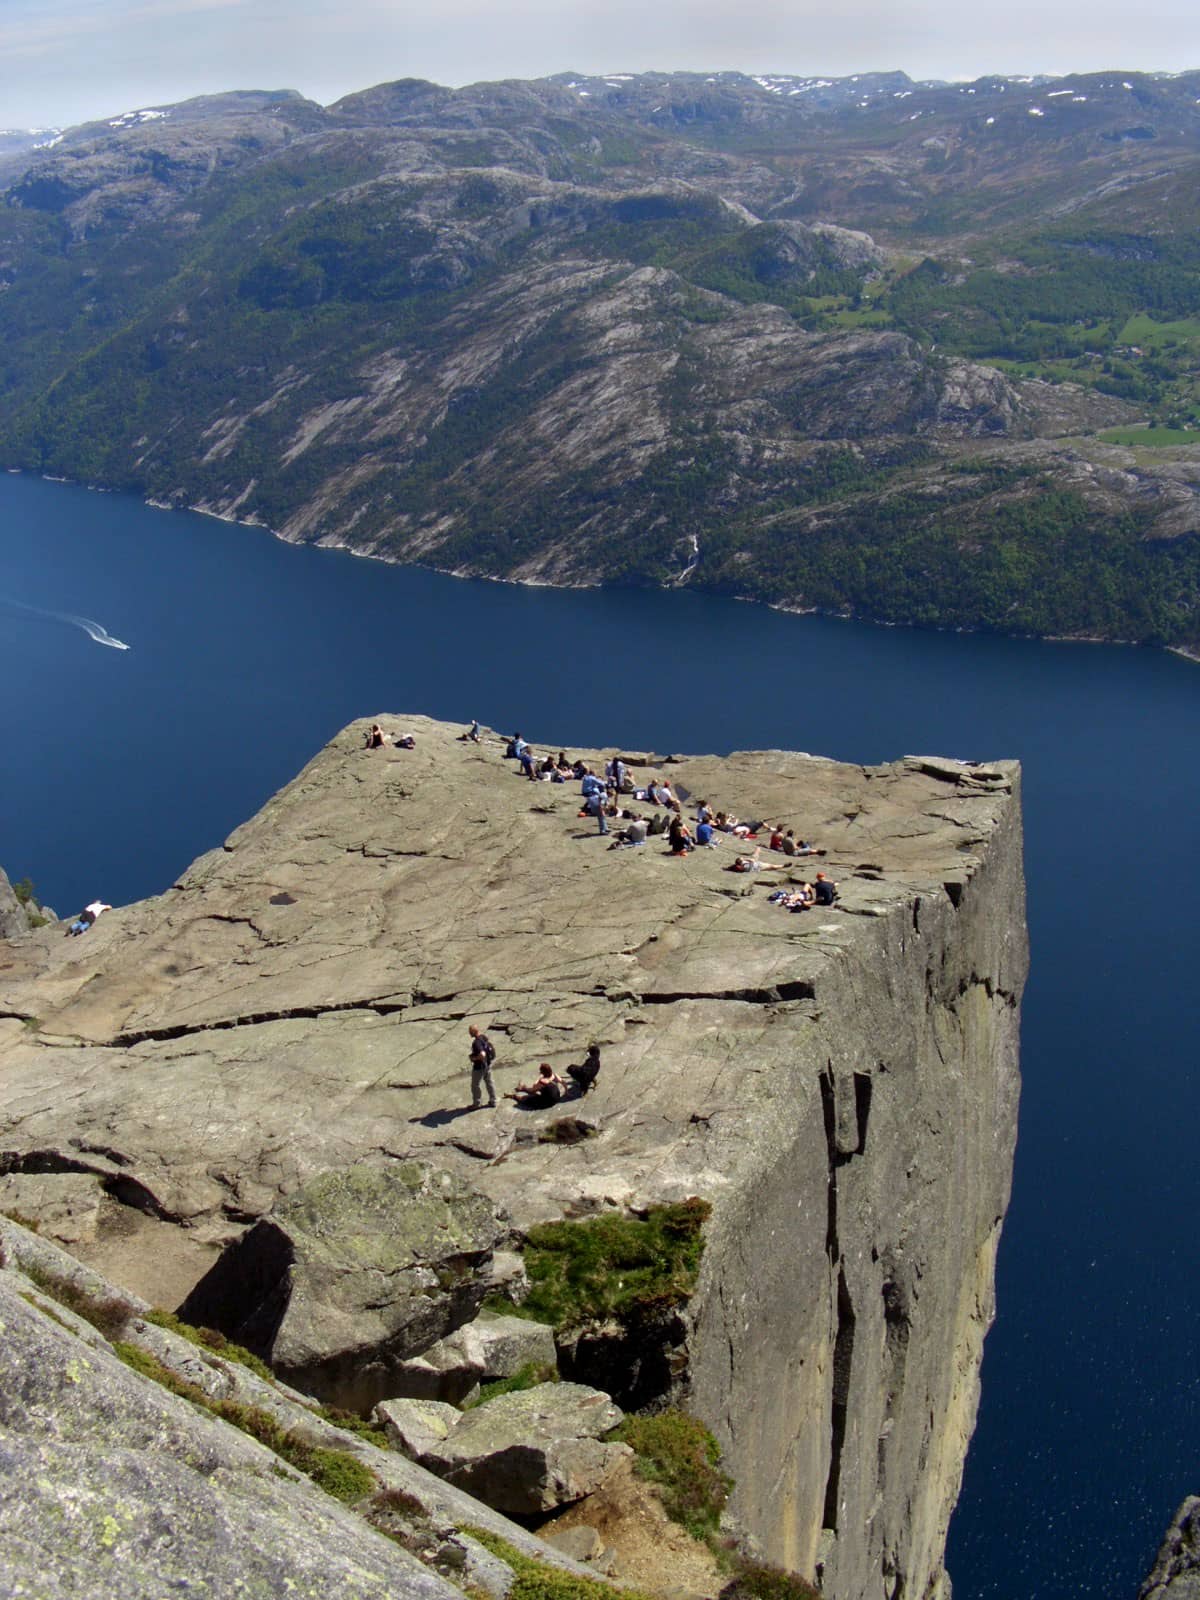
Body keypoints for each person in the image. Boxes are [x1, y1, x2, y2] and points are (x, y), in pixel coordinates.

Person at [467, 1023, 498, 1109]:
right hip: (488, 1064)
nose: (469, 1033)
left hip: (479, 1067)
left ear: (474, 1031)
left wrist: (474, 1058)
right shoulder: (484, 1037)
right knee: (489, 1082)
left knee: (475, 1085)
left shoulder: (476, 1043)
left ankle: (477, 1103)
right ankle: (493, 1100)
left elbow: (482, 1054)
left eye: (470, 1032)